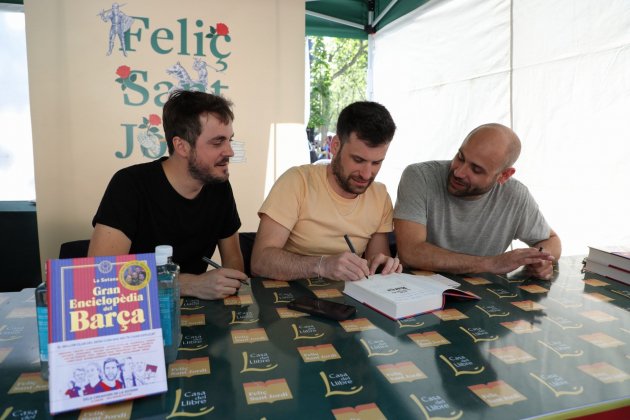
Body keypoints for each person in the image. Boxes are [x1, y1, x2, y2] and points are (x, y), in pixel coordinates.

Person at [88, 91, 248, 299]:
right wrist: (189, 285)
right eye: (217, 142)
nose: (230, 152)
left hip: (196, 313)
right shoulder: (130, 185)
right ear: (181, 146)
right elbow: (101, 275)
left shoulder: (218, 186)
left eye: (229, 140)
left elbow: (234, 264)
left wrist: (226, 282)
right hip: (136, 312)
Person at [251, 101, 402, 281]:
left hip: (350, 299)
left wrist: (384, 265)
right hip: (291, 297)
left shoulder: (380, 196)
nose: (367, 174)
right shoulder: (297, 182)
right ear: (335, 145)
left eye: (376, 163)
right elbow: (260, 262)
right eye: (358, 160)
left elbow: (376, 262)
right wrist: (322, 265)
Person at [394, 123, 561, 280]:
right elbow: (410, 252)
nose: (459, 172)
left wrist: (541, 258)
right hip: (415, 293)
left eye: (476, 169)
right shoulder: (419, 177)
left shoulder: (515, 195)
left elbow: (552, 240)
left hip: (484, 297)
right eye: (460, 157)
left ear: (504, 176)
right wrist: (491, 264)